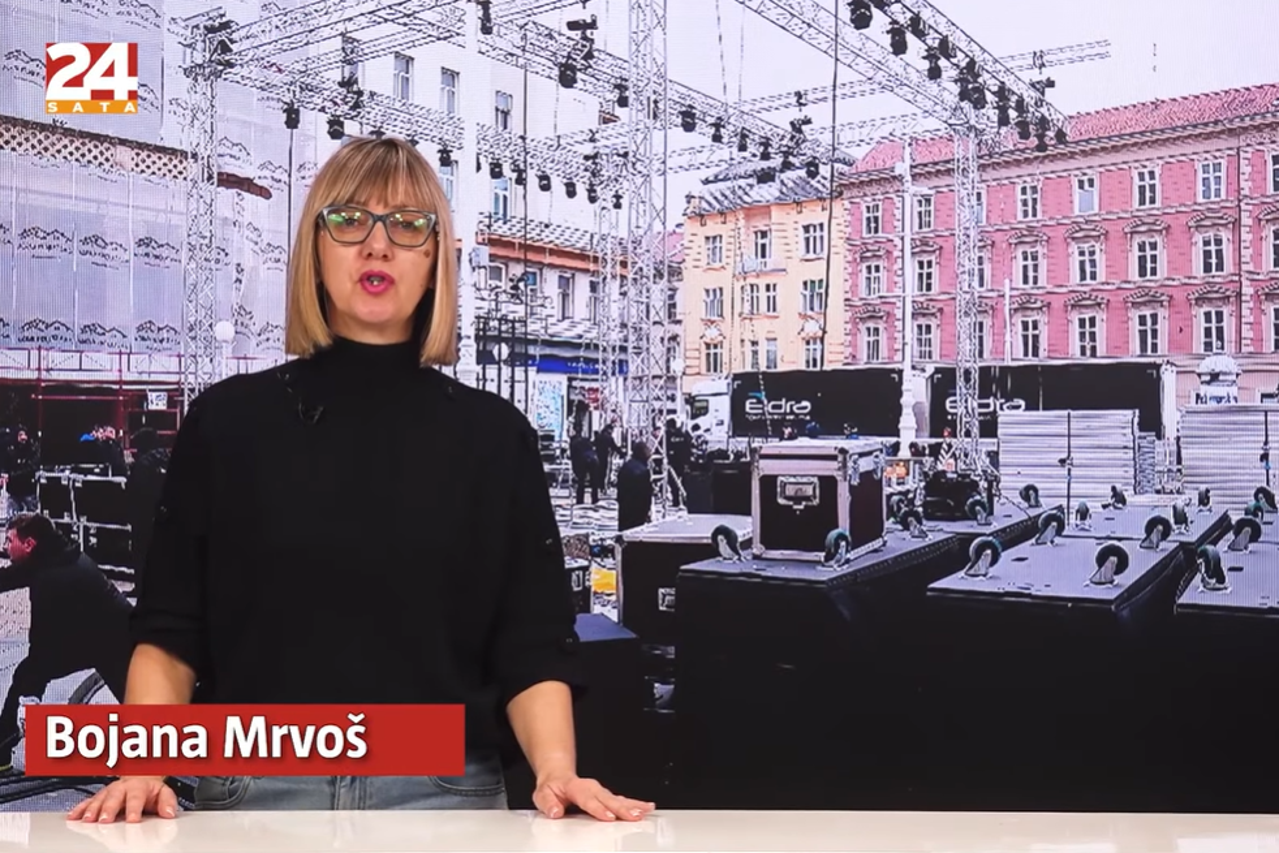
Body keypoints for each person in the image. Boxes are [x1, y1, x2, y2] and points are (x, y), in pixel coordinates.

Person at [69, 136, 655, 824]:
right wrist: (142, 765)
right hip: (257, 788)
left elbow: (532, 643)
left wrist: (557, 770)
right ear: (315, 250)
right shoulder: (225, 424)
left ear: (435, 259)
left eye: (408, 225)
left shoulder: (496, 438)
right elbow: (171, 628)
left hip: (448, 797)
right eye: (349, 220)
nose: (378, 245)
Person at [0, 513, 134, 772]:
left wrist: (31, 694)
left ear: (29, 544)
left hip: (114, 639)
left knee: (28, 673)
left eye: (9, 540)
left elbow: (41, 642)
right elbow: (12, 576)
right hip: (98, 635)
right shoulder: (52, 556)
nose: (5, 547)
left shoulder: (51, 578)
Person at [1, 427, 39, 517]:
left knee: (32, 518)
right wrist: (3, 475)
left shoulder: (32, 450)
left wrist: (11, 476)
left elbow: (30, 469)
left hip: (28, 491)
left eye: (25, 435)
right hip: (13, 492)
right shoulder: (10, 450)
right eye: (20, 435)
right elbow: (4, 465)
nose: (23, 437)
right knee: (12, 518)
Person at [615, 441, 653, 533]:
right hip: (638, 508)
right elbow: (647, 495)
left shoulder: (625, 467)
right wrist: (647, 510)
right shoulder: (644, 471)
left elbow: (619, 488)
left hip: (625, 506)